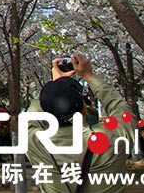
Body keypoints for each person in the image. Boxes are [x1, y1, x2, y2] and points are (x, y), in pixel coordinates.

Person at [25, 53, 135, 193]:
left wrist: (57, 88)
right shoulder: (112, 138)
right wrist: (89, 76)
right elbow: (122, 110)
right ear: (84, 109)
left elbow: (30, 118)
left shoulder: (34, 142)